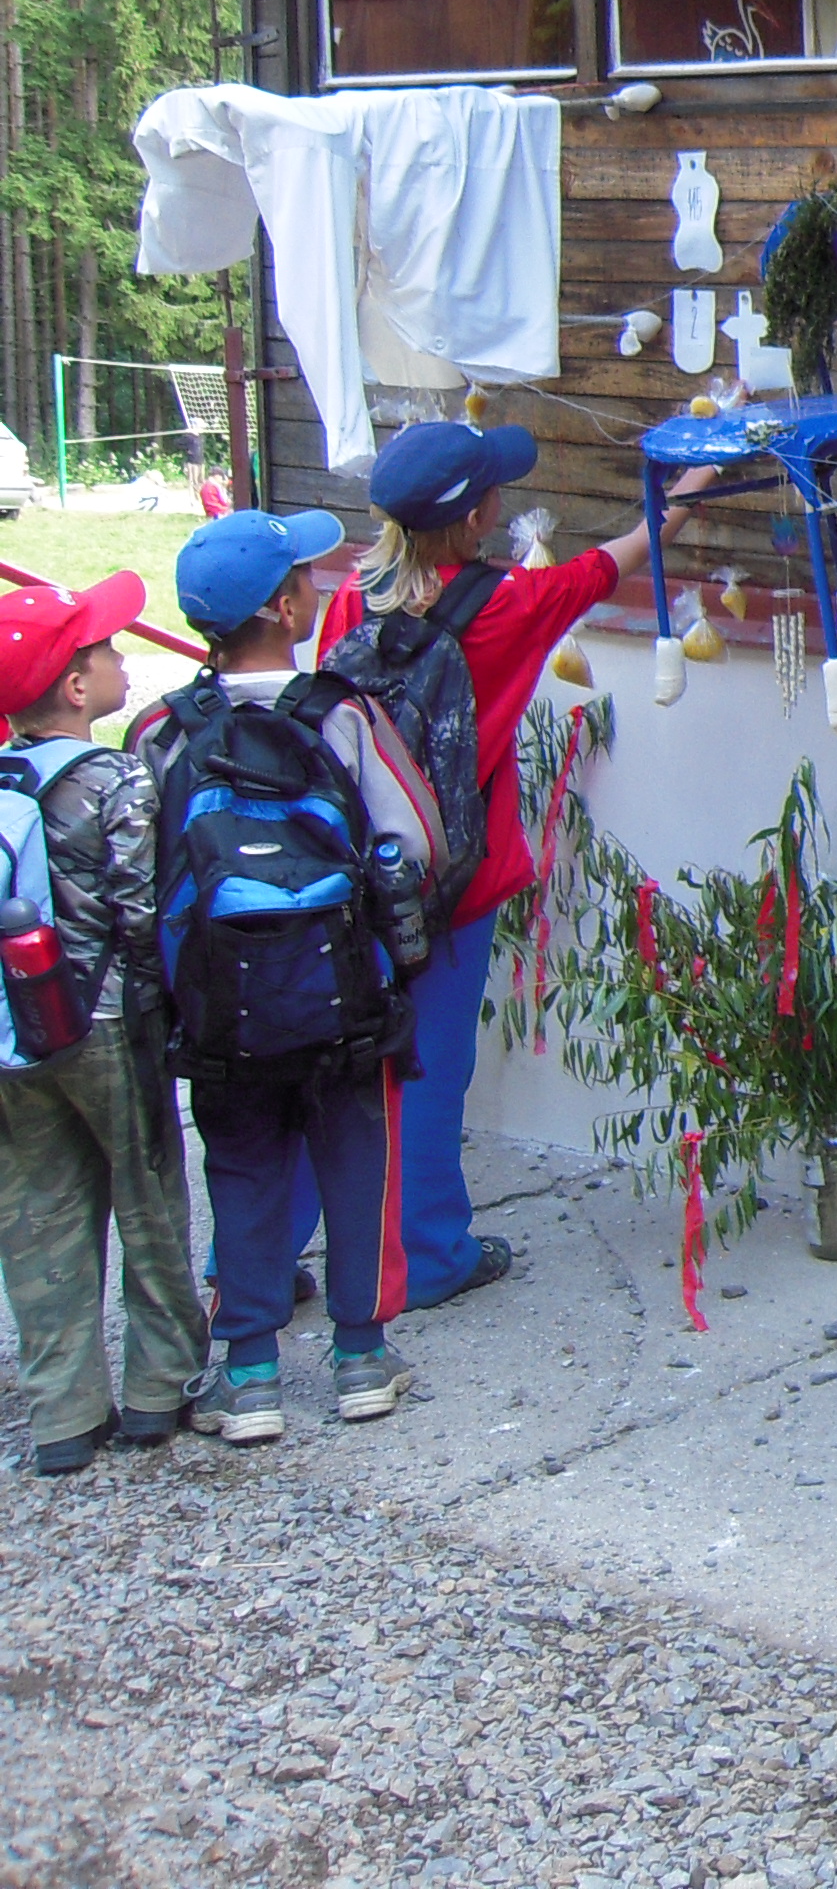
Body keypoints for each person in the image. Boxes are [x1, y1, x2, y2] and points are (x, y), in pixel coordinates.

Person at [311, 421, 709, 1311]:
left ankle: (298, 1251)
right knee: (430, 1068)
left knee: (339, 1059)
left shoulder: (352, 598)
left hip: (353, 871)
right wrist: (685, 494)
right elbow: (621, 556)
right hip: (452, 883)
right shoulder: (508, 604)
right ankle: (429, 1255)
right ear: (477, 518)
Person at [140, 510, 442, 1442]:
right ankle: (361, 1360)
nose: (318, 585)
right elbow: (416, 841)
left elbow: (142, 871)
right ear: (283, 607)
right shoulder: (341, 714)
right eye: (305, 576)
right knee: (354, 1162)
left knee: (240, 1169)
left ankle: (251, 1375)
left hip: (219, 1009)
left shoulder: (164, 730)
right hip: (341, 996)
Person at [0, 576, 209, 1471]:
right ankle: (160, 1387)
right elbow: (138, 912)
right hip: (107, 1023)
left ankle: (62, 1415)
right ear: (77, 688)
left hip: (15, 1034)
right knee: (150, 1197)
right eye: (106, 650)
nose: (123, 658)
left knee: (36, 1214)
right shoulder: (116, 777)